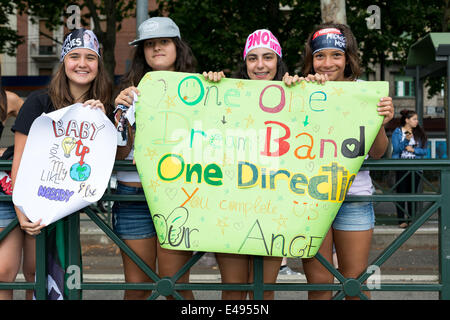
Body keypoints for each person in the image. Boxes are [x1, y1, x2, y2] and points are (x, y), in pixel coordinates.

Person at [285, 23, 394, 300]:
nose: (327, 63)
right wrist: (295, 95)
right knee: (319, 286)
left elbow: (379, 153)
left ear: (348, 59)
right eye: (320, 56)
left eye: (336, 55)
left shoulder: (365, 92)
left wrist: (379, 121)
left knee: (354, 285)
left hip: (353, 198)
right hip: (309, 198)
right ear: (311, 60)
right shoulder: (301, 89)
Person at [204, 29, 312, 300]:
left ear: (278, 61)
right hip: (230, 206)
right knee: (233, 290)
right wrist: (210, 86)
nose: (260, 65)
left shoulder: (294, 93)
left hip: (274, 207)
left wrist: (304, 91)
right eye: (252, 58)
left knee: (264, 293)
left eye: (267, 57)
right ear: (245, 63)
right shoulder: (226, 94)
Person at [8, 28, 112, 300]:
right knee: (34, 274)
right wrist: (21, 210)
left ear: (98, 64)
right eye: (74, 56)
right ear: (64, 61)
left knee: (56, 275)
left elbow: (106, 161)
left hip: (71, 207)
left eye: (90, 58)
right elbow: (18, 161)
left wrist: (102, 122)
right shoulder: (38, 102)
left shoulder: (105, 106)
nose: (82, 64)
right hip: (35, 203)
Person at [113, 16, 196, 300]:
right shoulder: (129, 94)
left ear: (178, 47)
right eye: (149, 44)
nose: (156, 48)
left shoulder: (199, 91)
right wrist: (123, 117)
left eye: (163, 42)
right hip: (132, 196)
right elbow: (120, 153)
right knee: (137, 289)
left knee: (176, 286)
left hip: (177, 197)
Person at [0, 70, 25, 300]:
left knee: (2, 274)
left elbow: (36, 123)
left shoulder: (7, 99)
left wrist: (10, 154)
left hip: (1, 195)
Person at [391, 109, 427, 228]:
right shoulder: (398, 132)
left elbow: (424, 151)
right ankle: (401, 220)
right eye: (414, 119)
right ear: (407, 120)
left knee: (413, 194)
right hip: (401, 167)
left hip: (415, 168)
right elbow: (396, 149)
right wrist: (406, 140)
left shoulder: (419, 133)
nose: (417, 121)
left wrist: (414, 150)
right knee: (401, 194)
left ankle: (411, 219)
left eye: (417, 119)